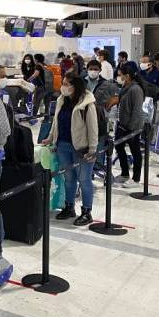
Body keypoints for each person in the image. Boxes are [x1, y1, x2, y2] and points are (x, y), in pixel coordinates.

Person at [42, 72, 98, 226]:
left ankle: (87, 212)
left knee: (84, 180)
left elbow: (93, 128)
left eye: (66, 84)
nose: (63, 87)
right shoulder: (62, 100)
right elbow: (56, 122)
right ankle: (69, 207)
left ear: (75, 87)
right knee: (69, 178)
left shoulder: (87, 103)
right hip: (63, 144)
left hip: (81, 148)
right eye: (63, 83)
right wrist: (51, 137)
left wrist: (92, 149)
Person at [114, 63, 145, 189]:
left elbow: (137, 110)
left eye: (120, 75)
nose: (119, 77)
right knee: (119, 146)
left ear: (127, 76)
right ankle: (125, 173)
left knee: (135, 151)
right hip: (122, 124)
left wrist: (132, 128)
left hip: (133, 126)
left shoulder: (135, 89)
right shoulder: (125, 87)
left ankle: (136, 179)